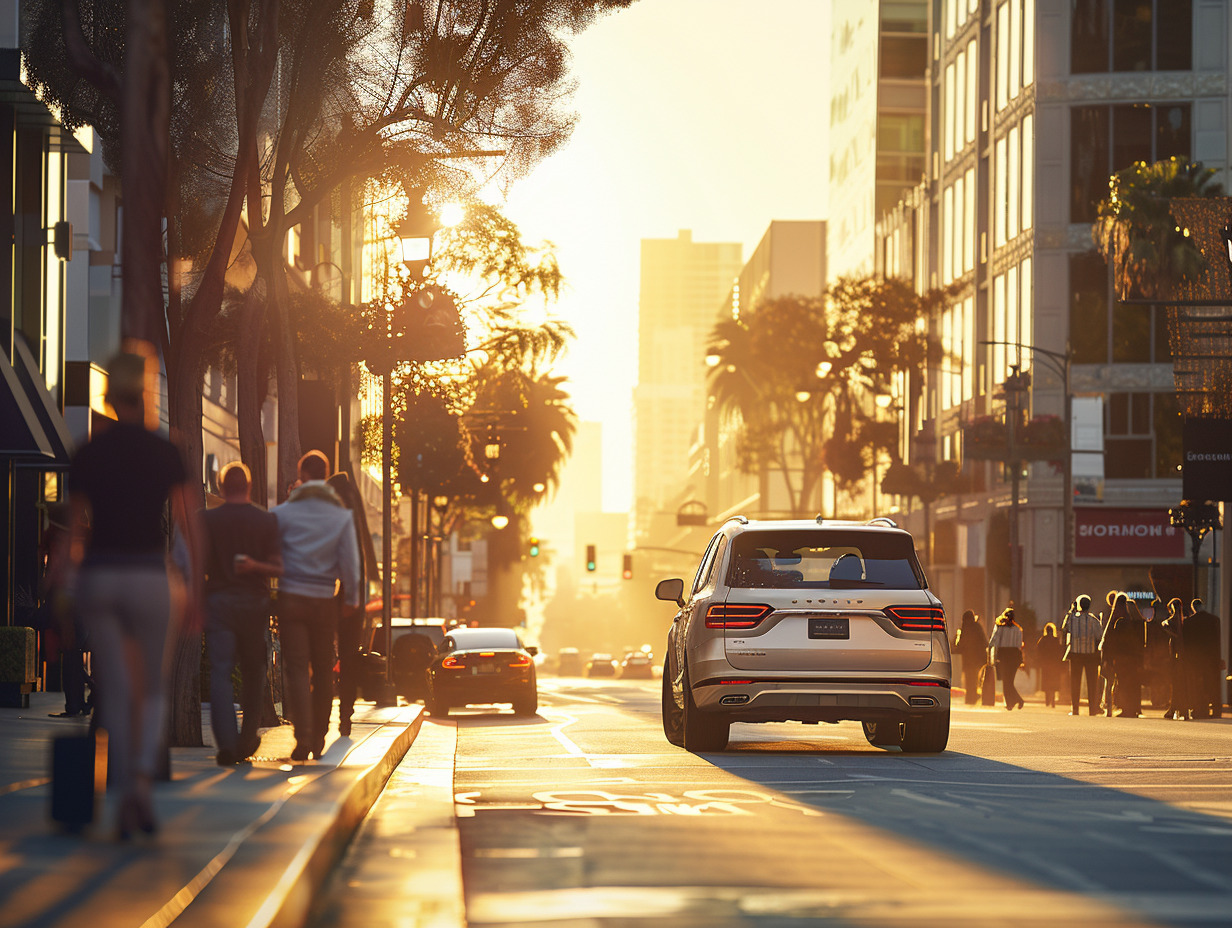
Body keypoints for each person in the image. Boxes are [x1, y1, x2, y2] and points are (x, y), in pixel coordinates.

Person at [59, 350, 199, 838]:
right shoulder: (167, 450)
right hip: (148, 575)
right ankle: (139, 781)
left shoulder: (88, 451)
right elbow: (188, 526)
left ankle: (122, 790)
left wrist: (62, 593)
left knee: (116, 688)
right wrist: (196, 587)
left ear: (108, 397)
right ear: (144, 394)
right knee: (153, 688)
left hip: (100, 576)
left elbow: (72, 532)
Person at [273, 451, 361, 761]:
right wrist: (350, 598)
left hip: (292, 596)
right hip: (325, 599)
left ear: (302, 474)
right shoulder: (340, 516)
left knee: (296, 667)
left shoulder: (283, 514)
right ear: (325, 476)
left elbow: (271, 553)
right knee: (324, 669)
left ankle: (303, 735)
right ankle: (320, 735)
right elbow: (351, 562)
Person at [200, 462, 282, 764]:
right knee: (254, 671)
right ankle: (247, 739)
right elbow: (279, 567)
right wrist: (255, 567)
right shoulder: (266, 521)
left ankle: (226, 745)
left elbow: (196, 564)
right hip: (254, 603)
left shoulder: (206, 520)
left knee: (220, 672)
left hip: (218, 601)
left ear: (221, 488)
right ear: (248, 487)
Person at [326, 471, 370, 737]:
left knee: (322, 655)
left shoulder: (336, 519)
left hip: (331, 593)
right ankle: (345, 716)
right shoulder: (356, 519)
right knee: (349, 657)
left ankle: (325, 716)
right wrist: (354, 597)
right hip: (352, 598)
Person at [1101, 592, 1145, 717]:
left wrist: (1108, 659)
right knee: (1133, 683)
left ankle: (1126, 709)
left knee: (1123, 683)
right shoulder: (1136, 620)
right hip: (1134, 657)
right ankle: (1134, 708)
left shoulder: (1117, 619)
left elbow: (1110, 640)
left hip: (1121, 658)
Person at [1062, 594, 1103, 716]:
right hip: (1090, 655)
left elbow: (1064, 629)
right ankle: (1092, 710)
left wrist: (1071, 611)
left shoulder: (1073, 619)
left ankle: (1075, 709)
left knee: (1075, 682)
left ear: (1078, 605)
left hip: (1075, 655)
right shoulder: (1094, 620)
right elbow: (1099, 637)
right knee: (1092, 684)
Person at [1184, 598, 1224, 719]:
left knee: (1198, 686)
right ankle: (1216, 710)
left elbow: (1187, 643)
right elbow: (1217, 642)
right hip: (1211, 659)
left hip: (1196, 660)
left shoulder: (1189, 622)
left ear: (1193, 608)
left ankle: (1200, 709)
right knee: (1213, 685)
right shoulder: (1214, 620)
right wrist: (1219, 659)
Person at [988, 607, 1025, 710]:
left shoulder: (1000, 628)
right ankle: (1011, 702)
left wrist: (990, 654)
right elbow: (1019, 645)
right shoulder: (1018, 629)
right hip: (1014, 656)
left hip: (1004, 655)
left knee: (1006, 681)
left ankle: (1016, 700)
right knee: (1009, 681)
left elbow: (994, 641)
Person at [1161, 598, 1189, 720]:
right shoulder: (1185, 622)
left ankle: (1173, 709)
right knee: (1181, 684)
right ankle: (1182, 710)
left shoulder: (1171, 623)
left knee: (1175, 684)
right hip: (1183, 657)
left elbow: (1164, 624)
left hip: (1175, 657)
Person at [952, 610, 988, 705]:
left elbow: (960, 644)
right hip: (977, 659)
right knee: (974, 680)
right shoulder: (977, 627)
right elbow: (985, 642)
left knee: (969, 680)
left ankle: (970, 699)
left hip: (968, 659)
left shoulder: (964, 628)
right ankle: (972, 698)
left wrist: (955, 649)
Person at [1035, 622, 1063, 708]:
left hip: (1045, 664)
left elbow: (1038, 651)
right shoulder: (1055, 640)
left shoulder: (1042, 639)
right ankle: (1053, 700)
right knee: (1053, 683)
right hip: (1054, 664)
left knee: (1046, 682)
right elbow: (1059, 651)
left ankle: (1047, 700)